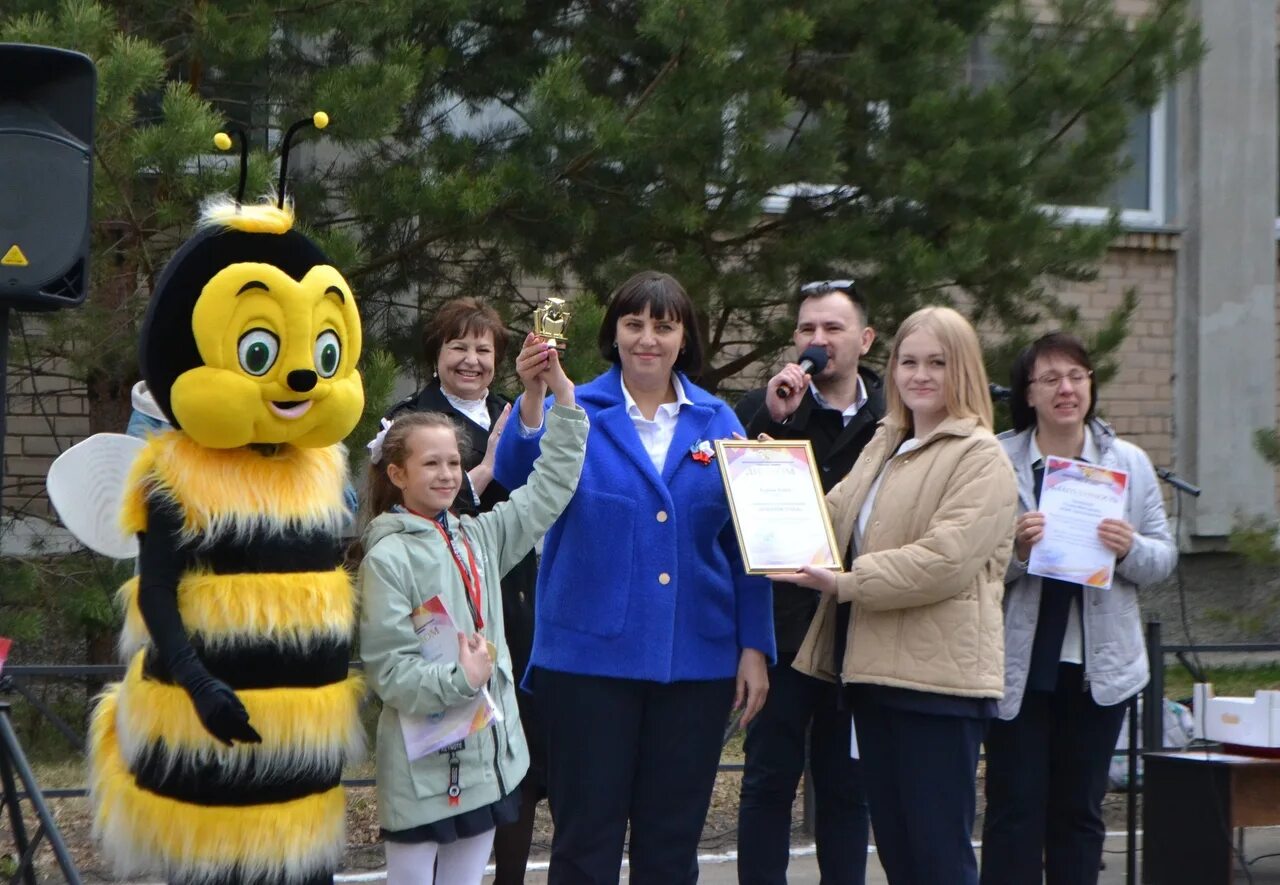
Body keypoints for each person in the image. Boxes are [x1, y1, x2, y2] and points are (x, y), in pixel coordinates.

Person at [494, 270, 775, 885]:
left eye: (664, 326)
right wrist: (535, 395)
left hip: (694, 666)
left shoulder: (719, 420)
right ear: (613, 334)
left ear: (684, 338)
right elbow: (516, 477)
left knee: (670, 848)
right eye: (634, 324)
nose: (648, 339)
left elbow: (742, 544)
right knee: (584, 844)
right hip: (587, 668)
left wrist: (754, 646)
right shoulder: (575, 406)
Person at [786, 305, 1017, 885]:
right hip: (873, 680)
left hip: (938, 688)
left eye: (937, 363)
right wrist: (765, 476)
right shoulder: (886, 442)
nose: (919, 375)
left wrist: (846, 584)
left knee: (939, 857)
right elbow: (828, 515)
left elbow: (944, 561)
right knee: (898, 854)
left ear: (961, 369)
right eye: (908, 362)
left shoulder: (980, 455)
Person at [357, 336, 587, 885]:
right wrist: (463, 678)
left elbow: (549, 490)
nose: (445, 475)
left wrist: (566, 402)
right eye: (430, 463)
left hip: (486, 760)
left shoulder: (478, 536)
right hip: (423, 766)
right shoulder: (387, 556)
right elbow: (389, 674)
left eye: (454, 463)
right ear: (396, 475)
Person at [979, 332, 1177, 885]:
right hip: (1017, 664)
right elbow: (973, 562)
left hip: (1099, 668)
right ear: (1029, 393)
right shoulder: (999, 458)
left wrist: (1129, 548)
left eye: (1077, 376)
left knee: (1080, 813)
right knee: (1013, 810)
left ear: (1091, 385)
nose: (1066, 388)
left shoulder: (1129, 463)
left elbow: (1163, 559)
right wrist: (1017, 551)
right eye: (1050, 379)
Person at [385, 298, 545, 883]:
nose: (471, 360)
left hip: (520, 603)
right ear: (436, 355)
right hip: (442, 611)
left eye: (484, 349)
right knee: (446, 747)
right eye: (459, 347)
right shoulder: (405, 421)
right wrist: (485, 470)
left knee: (514, 754)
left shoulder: (521, 410)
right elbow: (391, 512)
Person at [734, 279, 880, 885]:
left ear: (864, 340)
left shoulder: (890, 422)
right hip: (784, 635)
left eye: (832, 329)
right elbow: (726, 462)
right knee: (768, 781)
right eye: (806, 330)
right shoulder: (775, 407)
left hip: (859, 634)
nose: (817, 342)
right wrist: (771, 412)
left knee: (848, 789)